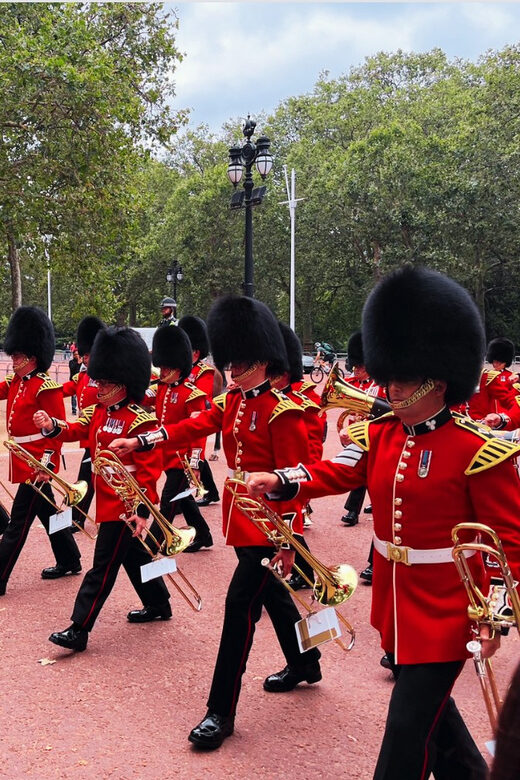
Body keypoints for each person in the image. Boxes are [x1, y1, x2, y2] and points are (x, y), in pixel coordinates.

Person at [246, 265, 520, 780]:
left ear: (437, 379)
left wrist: (497, 614)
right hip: (395, 607)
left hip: (448, 613)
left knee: (405, 737)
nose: (387, 386)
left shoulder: (480, 451)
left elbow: (511, 542)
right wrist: (281, 480)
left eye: (400, 377)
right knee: (438, 730)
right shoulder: (383, 436)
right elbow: (335, 470)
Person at [109, 295, 321, 751]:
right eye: (231, 361)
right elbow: (195, 424)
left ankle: (219, 712)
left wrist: (291, 540)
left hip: (269, 528)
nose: (233, 368)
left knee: (238, 613)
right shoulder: (236, 402)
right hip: (242, 521)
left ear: (264, 361)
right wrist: (144, 439)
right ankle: (306, 663)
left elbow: (297, 480)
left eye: (241, 362)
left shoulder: (285, 412)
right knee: (276, 598)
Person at [34, 327, 171, 652]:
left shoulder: (141, 422)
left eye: (105, 383)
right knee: (134, 557)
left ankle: (79, 628)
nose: (99, 386)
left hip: (125, 507)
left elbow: (151, 473)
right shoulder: (100, 411)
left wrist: (140, 511)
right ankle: (159, 603)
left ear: (122, 384)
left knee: (102, 567)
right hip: (108, 503)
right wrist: (53, 426)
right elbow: (79, 428)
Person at [0, 307, 81, 595]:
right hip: (23, 460)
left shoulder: (45, 386)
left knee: (18, 524)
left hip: (37, 464)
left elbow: (56, 431)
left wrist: (46, 466)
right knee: (48, 513)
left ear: (32, 356)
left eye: (18, 356)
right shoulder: (18, 381)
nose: (13, 359)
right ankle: (70, 558)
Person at [146, 323, 213, 553]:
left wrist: (195, 464)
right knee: (184, 500)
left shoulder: (193, 394)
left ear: (178, 365)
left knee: (168, 501)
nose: (162, 371)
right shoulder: (163, 388)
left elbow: (199, 431)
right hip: (166, 455)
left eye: (166, 366)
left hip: (182, 459)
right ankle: (203, 535)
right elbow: (145, 398)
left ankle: (151, 544)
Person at [269, 321, 326, 590]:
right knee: (280, 528)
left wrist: (306, 480)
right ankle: (306, 573)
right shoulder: (271, 396)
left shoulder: (304, 399)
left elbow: (313, 444)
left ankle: (302, 574)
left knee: (284, 526)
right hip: (273, 476)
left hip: (294, 474)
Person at [61, 316, 105, 532]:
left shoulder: (106, 377)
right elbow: (64, 389)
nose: (85, 359)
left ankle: (78, 518)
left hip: (103, 436)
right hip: (88, 435)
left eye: (89, 355)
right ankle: (78, 518)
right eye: (84, 355)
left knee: (88, 478)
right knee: (87, 477)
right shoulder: (83, 376)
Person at [178, 314, 221, 506]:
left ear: (195, 352)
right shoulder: (182, 369)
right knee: (194, 457)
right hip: (182, 420)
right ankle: (210, 491)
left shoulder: (204, 372)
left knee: (193, 456)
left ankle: (179, 500)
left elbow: (199, 397)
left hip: (197, 417)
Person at [68, 349, 81, 414]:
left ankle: (80, 409)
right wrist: (77, 363)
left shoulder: (82, 363)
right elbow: (72, 369)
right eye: (75, 354)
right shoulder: (71, 362)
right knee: (73, 396)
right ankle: (74, 410)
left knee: (80, 396)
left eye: (78, 354)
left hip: (80, 381)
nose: (77, 356)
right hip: (73, 381)